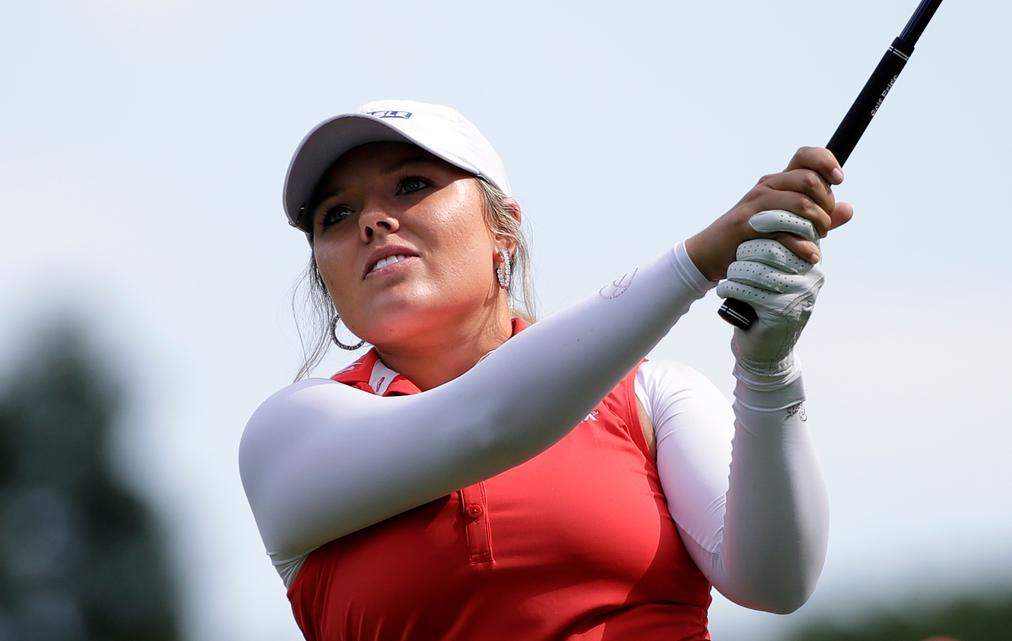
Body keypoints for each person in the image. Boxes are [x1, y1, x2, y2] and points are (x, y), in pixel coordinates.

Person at [239, 98, 853, 640]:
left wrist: (768, 369)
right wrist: (700, 258)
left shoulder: (650, 397)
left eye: (411, 185)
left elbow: (777, 581)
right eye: (337, 216)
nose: (373, 221)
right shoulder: (288, 437)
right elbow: (489, 422)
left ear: (503, 228)